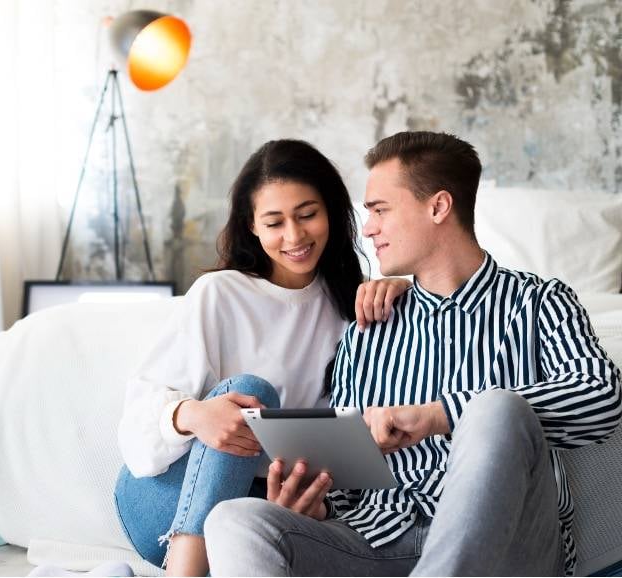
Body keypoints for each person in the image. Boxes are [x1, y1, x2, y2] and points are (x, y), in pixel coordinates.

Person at [204, 131, 622, 576]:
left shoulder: (540, 302)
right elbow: (348, 476)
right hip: (381, 540)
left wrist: (439, 415)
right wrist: (316, 503)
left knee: (497, 408)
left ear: (438, 207)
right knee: (235, 520)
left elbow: (601, 397)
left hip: (509, 545)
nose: (367, 228)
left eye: (380, 210)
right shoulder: (368, 328)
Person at [114, 139, 412, 576]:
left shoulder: (357, 304)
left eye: (308, 215)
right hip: (166, 498)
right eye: (275, 223)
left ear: (331, 211)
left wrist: (407, 289)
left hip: (261, 504)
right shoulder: (220, 293)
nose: (294, 237)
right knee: (250, 394)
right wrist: (193, 414)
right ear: (252, 227)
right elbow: (137, 421)